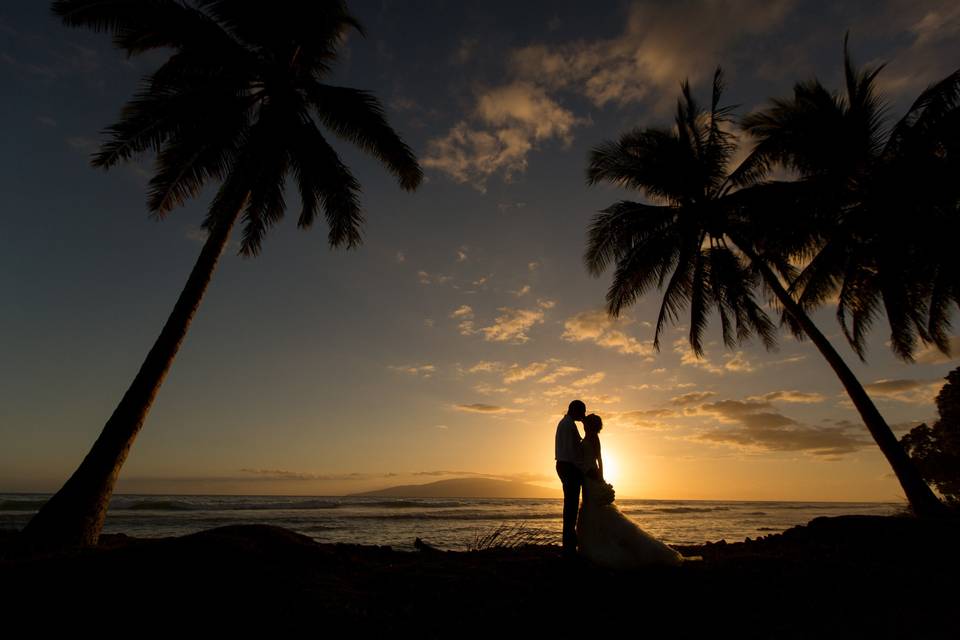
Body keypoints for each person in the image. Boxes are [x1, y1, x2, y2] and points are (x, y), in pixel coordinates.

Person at [575, 413, 686, 568]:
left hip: (592, 477)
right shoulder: (587, 437)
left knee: (595, 510)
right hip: (587, 479)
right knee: (591, 511)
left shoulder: (593, 437)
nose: (584, 424)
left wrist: (600, 478)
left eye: (587, 423)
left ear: (591, 426)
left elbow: (599, 460)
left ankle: (602, 546)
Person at [555, 399, 587, 558]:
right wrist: (583, 471)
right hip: (569, 466)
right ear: (576, 410)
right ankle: (569, 546)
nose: (584, 416)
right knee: (571, 507)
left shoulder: (565, 423)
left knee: (570, 506)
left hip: (564, 465)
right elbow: (572, 452)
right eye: (583, 412)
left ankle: (569, 544)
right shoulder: (568, 425)